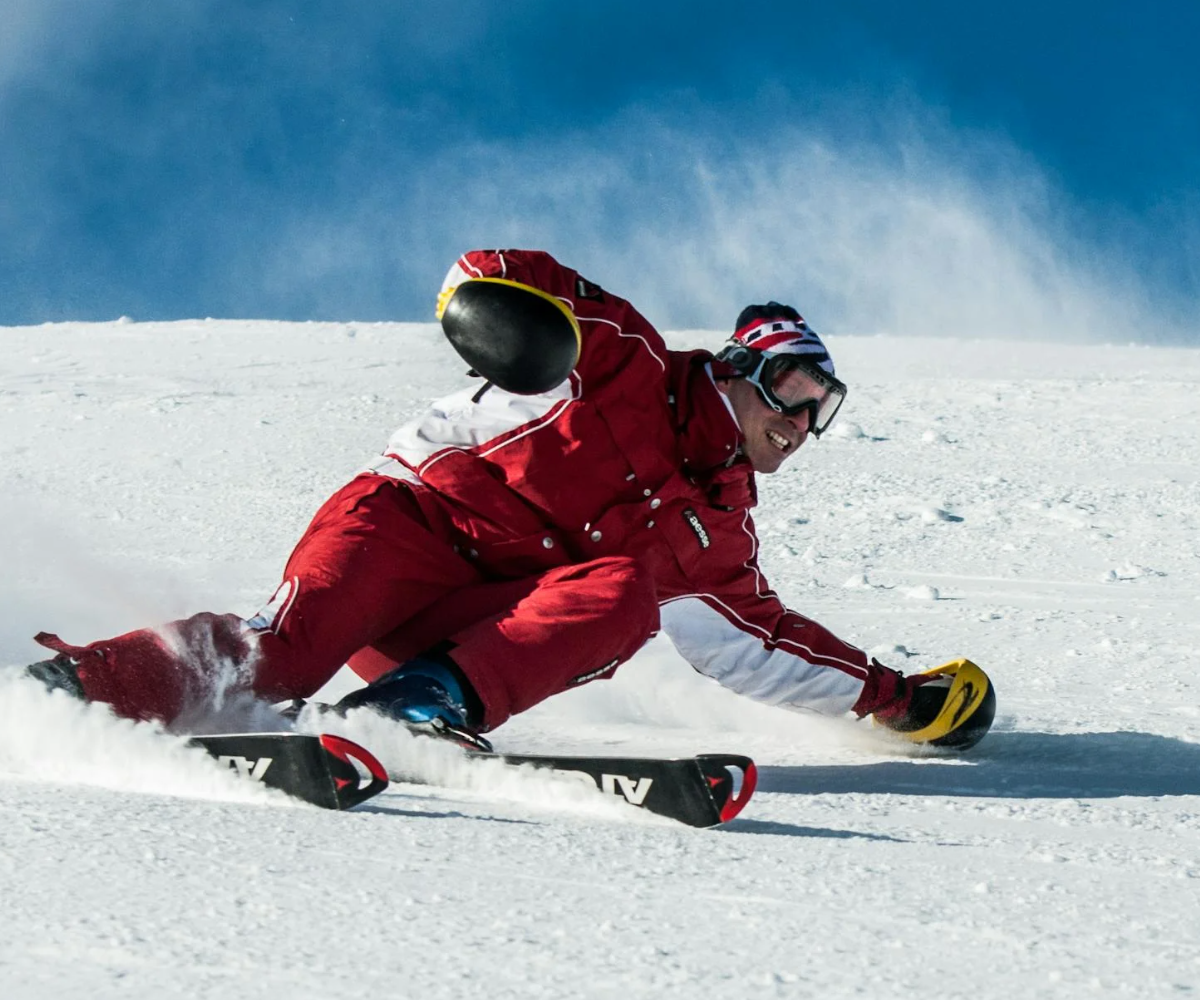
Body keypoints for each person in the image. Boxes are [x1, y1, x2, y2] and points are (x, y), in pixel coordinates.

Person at [25, 248, 994, 750]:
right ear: (743, 369)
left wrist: (895, 697)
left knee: (623, 597)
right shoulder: (627, 359)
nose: (801, 423)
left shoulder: (719, 535)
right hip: (404, 526)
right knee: (283, 654)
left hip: (462, 631)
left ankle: (416, 709)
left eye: (820, 411)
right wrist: (498, 319)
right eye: (793, 393)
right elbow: (497, 272)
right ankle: (78, 692)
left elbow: (766, 648)